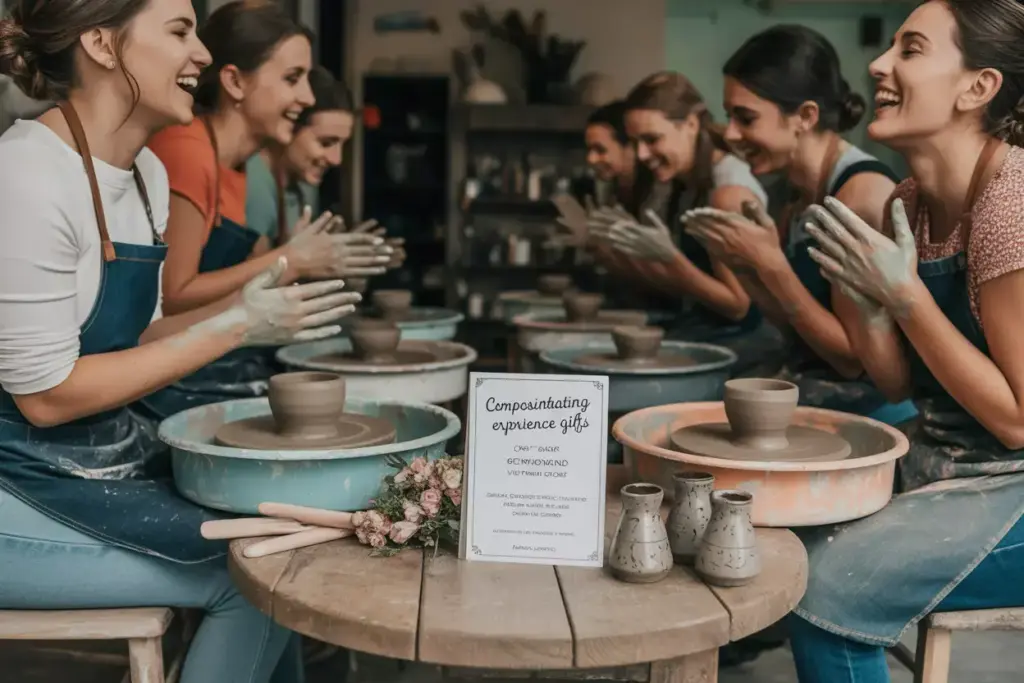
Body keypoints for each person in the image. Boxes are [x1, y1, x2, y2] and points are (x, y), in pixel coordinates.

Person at [0, 1, 360, 681]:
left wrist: (257, 310)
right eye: (179, 31)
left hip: (97, 460)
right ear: (102, 44)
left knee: (287, 537)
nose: (201, 54)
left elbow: (142, 337)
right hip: (16, 485)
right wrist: (235, 325)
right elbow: (47, 396)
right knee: (256, 577)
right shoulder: (25, 175)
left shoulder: (145, 174)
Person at [787, 2, 1024, 681]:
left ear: (977, 87)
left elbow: (1015, 420)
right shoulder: (907, 201)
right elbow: (894, 383)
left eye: (910, 49)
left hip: (1016, 484)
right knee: (780, 533)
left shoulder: (1011, 202)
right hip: (953, 467)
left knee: (828, 586)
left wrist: (906, 296)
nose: (879, 64)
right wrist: (856, 288)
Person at [139, 2, 391, 420]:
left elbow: (234, 276)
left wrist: (312, 261)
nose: (306, 97)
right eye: (293, 79)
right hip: (159, 372)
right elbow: (173, 296)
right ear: (235, 82)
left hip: (201, 356)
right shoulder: (187, 150)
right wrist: (291, 260)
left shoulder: (234, 164)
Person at [682, 25, 918, 426]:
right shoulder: (797, 196)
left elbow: (850, 359)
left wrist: (771, 265)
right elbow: (795, 327)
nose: (732, 134)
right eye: (730, 117)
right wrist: (746, 267)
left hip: (875, 410)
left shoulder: (859, 198)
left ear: (805, 116)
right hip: (817, 388)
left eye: (746, 118)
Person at [595, 71, 781, 376]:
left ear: (691, 125)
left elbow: (738, 305)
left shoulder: (728, 191)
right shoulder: (682, 182)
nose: (642, 154)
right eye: (635, 142)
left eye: (652, 139)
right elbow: (685, 287)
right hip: (706, 326)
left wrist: (671, 259)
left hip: (750, 341)